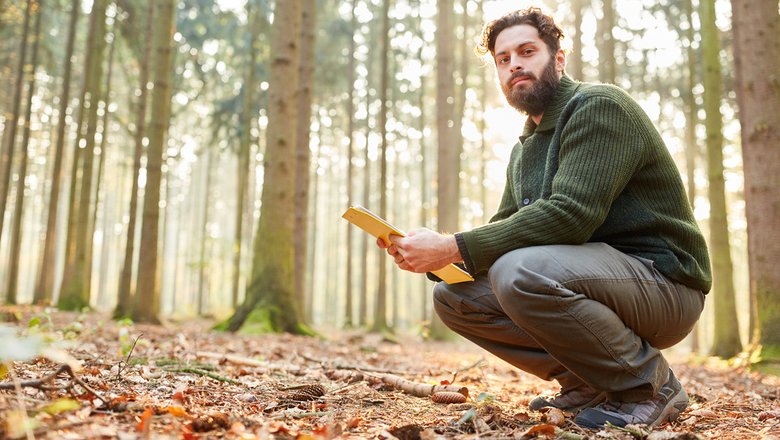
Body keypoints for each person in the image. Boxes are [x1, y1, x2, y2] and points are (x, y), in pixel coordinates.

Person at [377, 7, 711, 429]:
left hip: (664, 286)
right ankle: (588, 381)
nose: (514, 63)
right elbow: (502, 231)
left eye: (527, 51)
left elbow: (570, 216)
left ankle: (649, 386)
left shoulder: (599, 107)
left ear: (558, 58)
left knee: (520, 271)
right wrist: (431, 258)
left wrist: (450, 244)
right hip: (591, 288)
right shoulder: (524, 150)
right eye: (503, 59)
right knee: (455, 298)